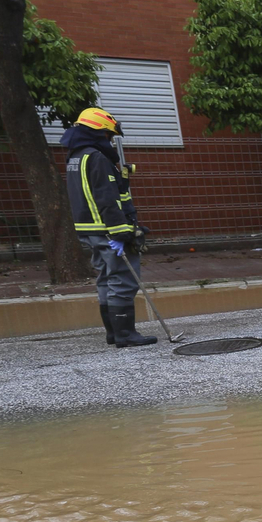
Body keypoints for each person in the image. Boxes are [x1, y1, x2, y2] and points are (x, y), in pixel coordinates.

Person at [62, 107, 154, 347]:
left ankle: (114, 333)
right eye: (109, 136)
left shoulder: (76, 156)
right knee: (123, 280)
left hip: (89, 229)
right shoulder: (97, 157)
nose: (111, 141)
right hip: (107, 229)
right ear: (99, 132)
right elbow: (106, 197)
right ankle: (125, 334)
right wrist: (121, 229)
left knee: (106, 279)